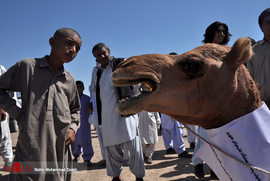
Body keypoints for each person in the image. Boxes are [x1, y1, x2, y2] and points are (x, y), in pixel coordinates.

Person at [0, 28, 81, 181]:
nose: (73, 50)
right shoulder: (27, 67)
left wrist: (72, 128)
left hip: (60, 145)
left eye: (77, 48)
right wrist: (17, 113)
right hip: (32, 142)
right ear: (52, 42)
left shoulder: (69, 80)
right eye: (69, 44)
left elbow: (75, 109)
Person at [89, 43, 145, 181]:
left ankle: (139, 177)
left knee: (133, 149)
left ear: (109, 51)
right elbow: (94, 90)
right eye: (98, 55)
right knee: (111, 149)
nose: (102, 57)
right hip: (107, 117)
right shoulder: (97, 71)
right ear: (95, 58)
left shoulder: (121, 63)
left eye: (103, 53)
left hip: (125, 115)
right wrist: (93, 107)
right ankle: (116, 176)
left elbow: (136, 82)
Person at [192, 21, 232, 179]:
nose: (221, 34)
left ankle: (216, 168)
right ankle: (197, 163)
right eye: (218, 31)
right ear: (211, 33)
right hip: (206, 98)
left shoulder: (228, 52)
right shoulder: (201, 51)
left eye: (223, 31)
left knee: (221, 136)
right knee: (205, 134)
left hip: (225, 98)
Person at [247, 8, 270, 109]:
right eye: (267, 22)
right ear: (260, 26)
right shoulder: (253, 51)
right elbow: (249, 79)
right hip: (259, 108)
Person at [73, 80, 94, 166]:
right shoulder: (72, 99)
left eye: (80, 87)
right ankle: (76, 155)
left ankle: (87, 158)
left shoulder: (87, 99)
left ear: (83, 88)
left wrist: (91, 111)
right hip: (75, 123)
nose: (79, 89)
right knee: (75, 141)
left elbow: (92, 111)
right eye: (77, 87)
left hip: (85, 124)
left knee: (86, 141)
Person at [138, 87, 161, 164]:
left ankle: (149, 156)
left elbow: (157, 116)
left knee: (152, 141)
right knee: (142, 142)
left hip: (152, 126)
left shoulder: (153, 104)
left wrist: (158, 126)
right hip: (142, 126)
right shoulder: (139, 105)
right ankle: (144, 154)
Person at [0, 65, 13, 168]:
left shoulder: (0, 68)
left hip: (2, 111)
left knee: (5, 136)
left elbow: (3, 90)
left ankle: (9, 164)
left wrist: (2, 107)